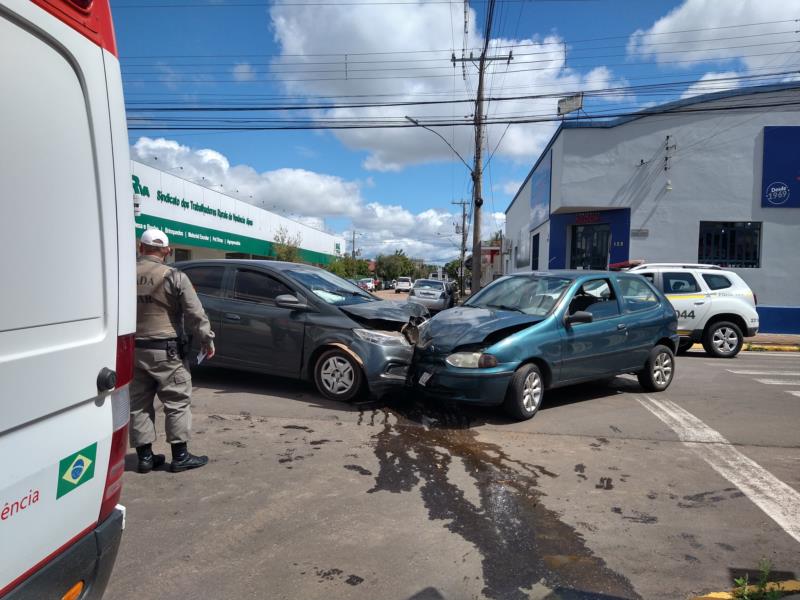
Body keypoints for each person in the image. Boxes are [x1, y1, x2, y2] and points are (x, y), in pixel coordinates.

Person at [131, 228, 215, 473]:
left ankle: (145, 458)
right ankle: (180, 456)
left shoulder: (123, 275)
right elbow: (195, 312)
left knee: (138, 404)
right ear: (167, 251)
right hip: (166, 351)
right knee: (177, 401)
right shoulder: (174, 276)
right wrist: (207, 340)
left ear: (140, 248)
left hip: (134, 350)